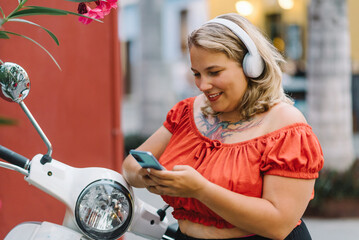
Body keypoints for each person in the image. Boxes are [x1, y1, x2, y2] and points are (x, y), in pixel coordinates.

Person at [122, 13, 324, 240]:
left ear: (251, 66)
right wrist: (151, 177)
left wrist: (200, 190)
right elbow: (130, 166)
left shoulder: (286, 125)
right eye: (196, 74)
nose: (203, 85)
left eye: (214, 72)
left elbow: (278, 225)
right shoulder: (187, 111)